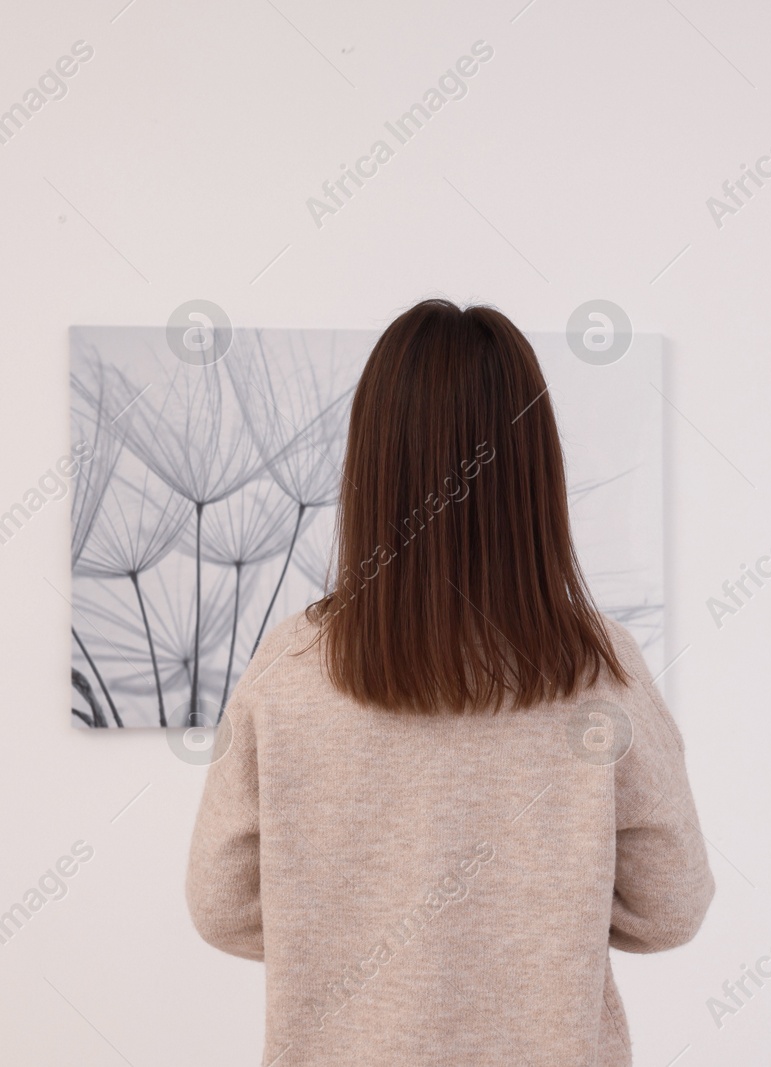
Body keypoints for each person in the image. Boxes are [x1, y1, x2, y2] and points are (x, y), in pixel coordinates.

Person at [186, 299, 713, 1066]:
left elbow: (219, 904)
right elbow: (672, 905)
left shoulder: (289, 668)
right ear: (536, 471)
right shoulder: (603, 670)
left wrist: (350, 932)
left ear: (371, 464)